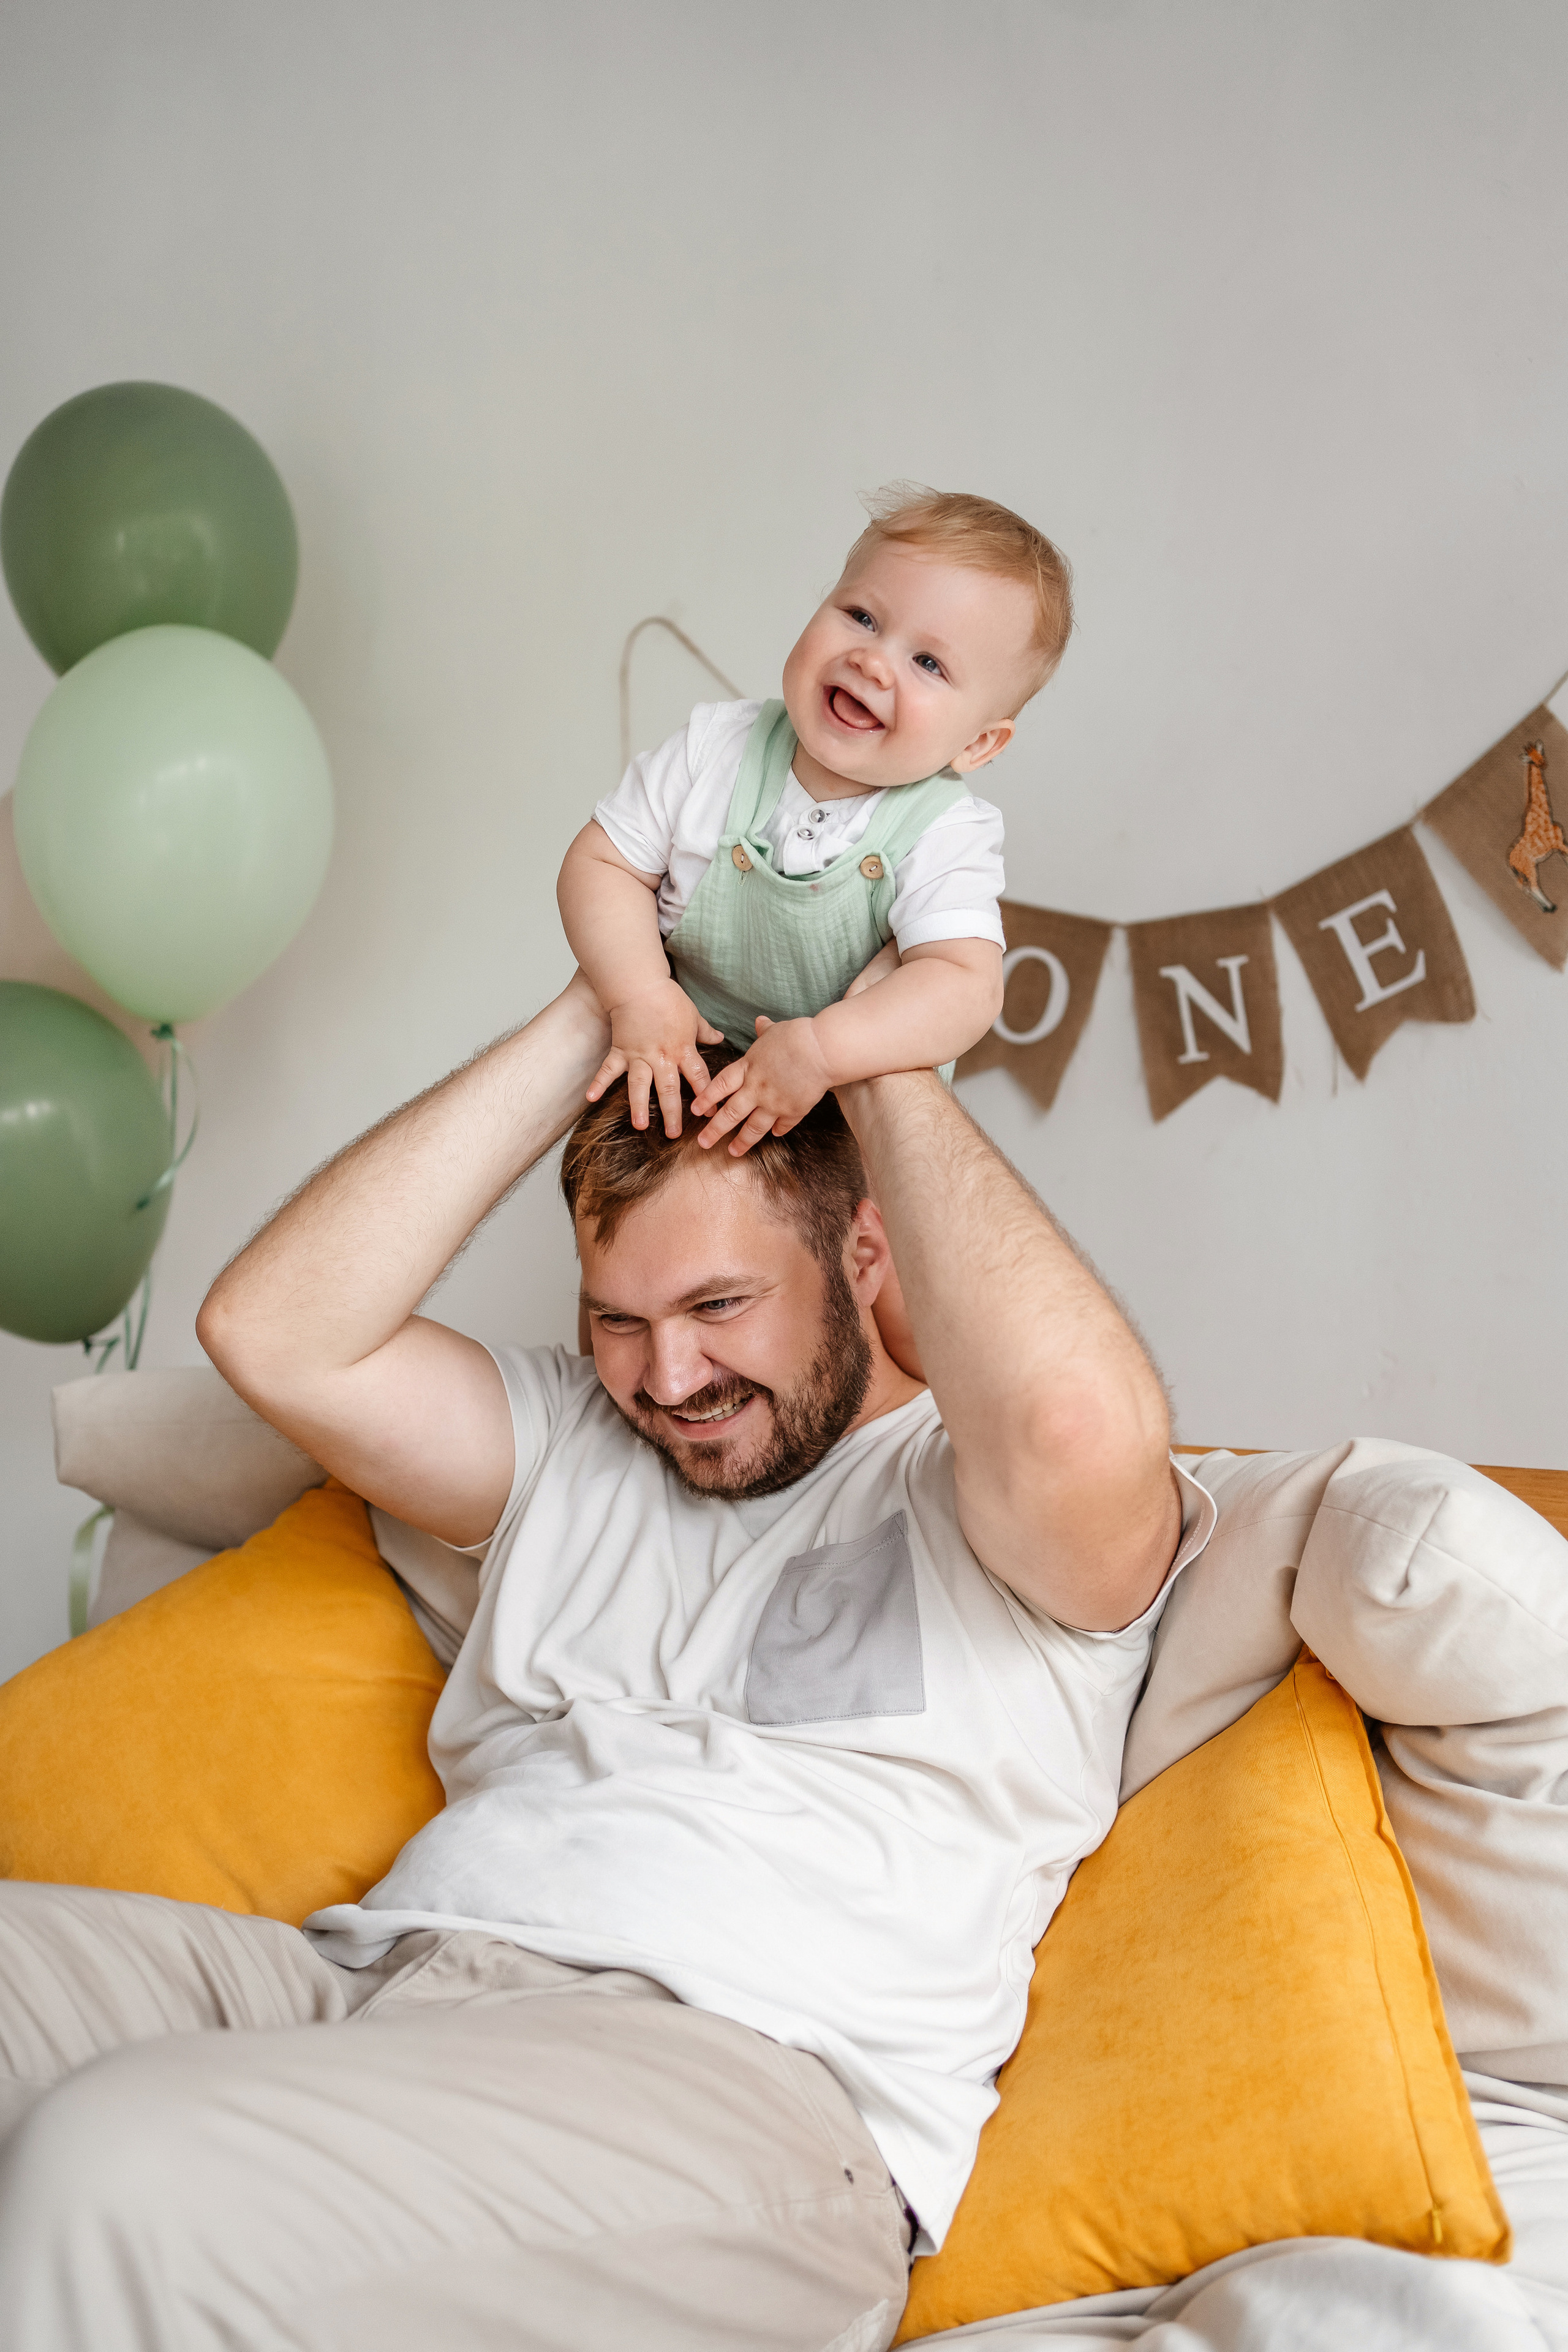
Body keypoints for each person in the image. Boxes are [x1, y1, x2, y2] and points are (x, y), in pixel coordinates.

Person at [0, 974, 1212, 2352]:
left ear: (863, 1251)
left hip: (739, 2090)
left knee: (127, 2171)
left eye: (718, 1304)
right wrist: (605, 1003)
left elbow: (1066, 1416)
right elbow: (272, 1333)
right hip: (381, 1987)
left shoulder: (1005, 1511)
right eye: (618, 1319)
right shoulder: (573, 1439)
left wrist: (868, 1048)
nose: (670, 1377)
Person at [557, 486, 1074, 1160]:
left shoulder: (944, 831)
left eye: (928, 663)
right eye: (861, 616)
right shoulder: (717, 746)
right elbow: (601, 865)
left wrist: (824, 1050)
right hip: (672, 1077)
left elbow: (964, 985)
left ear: (978, 744)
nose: (872, 660)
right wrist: (639, 994)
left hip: (838, 1132)